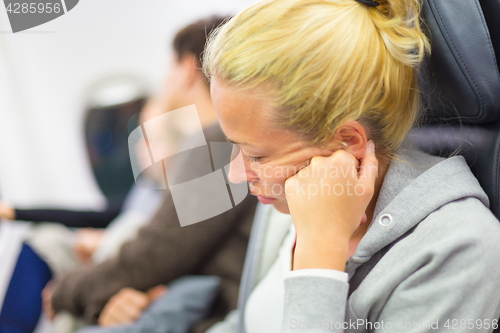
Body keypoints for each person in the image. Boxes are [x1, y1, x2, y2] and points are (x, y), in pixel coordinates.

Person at [201, 0, 500, 332]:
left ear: (347, 141)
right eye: (236, 147)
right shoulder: (290, 196)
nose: (236, 174)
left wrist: (319, 256)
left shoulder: (457, 252)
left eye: (256, 156)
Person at [42, 15, 258, 333]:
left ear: (185, 68)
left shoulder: (216, 143)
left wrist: (66, 291)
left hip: (206, 312)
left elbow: (155, 254)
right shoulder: (227, 141)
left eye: (168, 67)